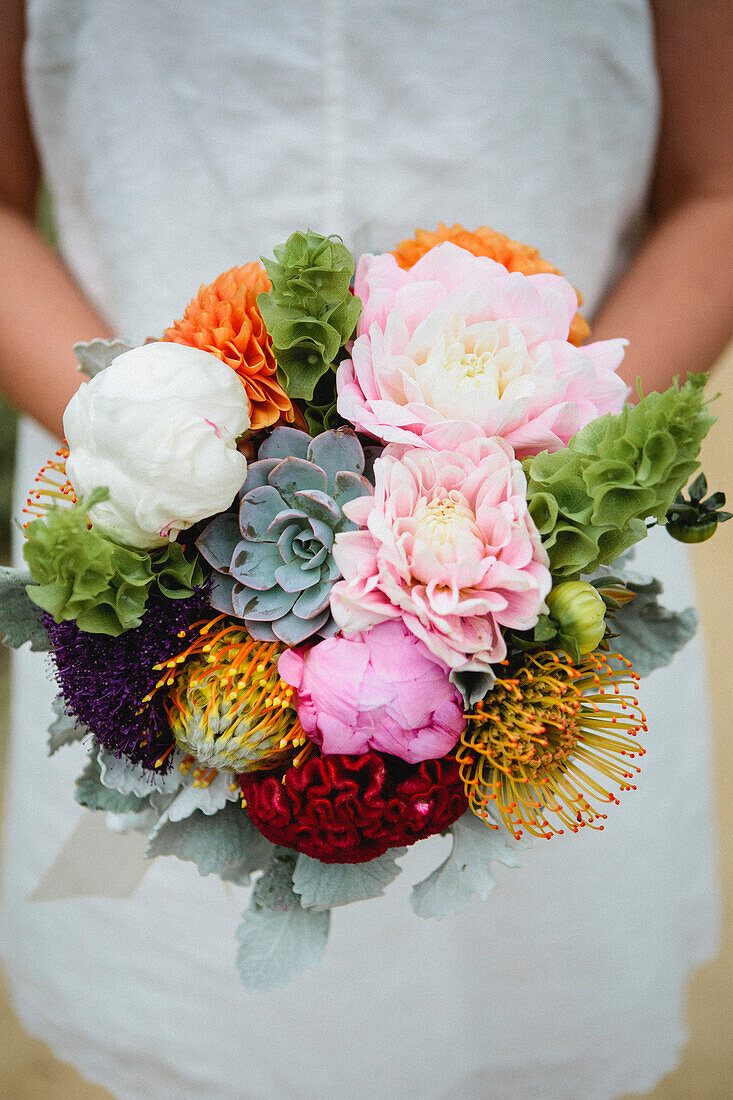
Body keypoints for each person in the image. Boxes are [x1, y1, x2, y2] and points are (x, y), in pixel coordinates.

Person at [0, 2, 731, 1098]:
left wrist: (523, 502)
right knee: (191, 1028)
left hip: (543, 560)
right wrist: (165, 466)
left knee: (531, 1016)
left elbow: (715, 189)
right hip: (137, 532)